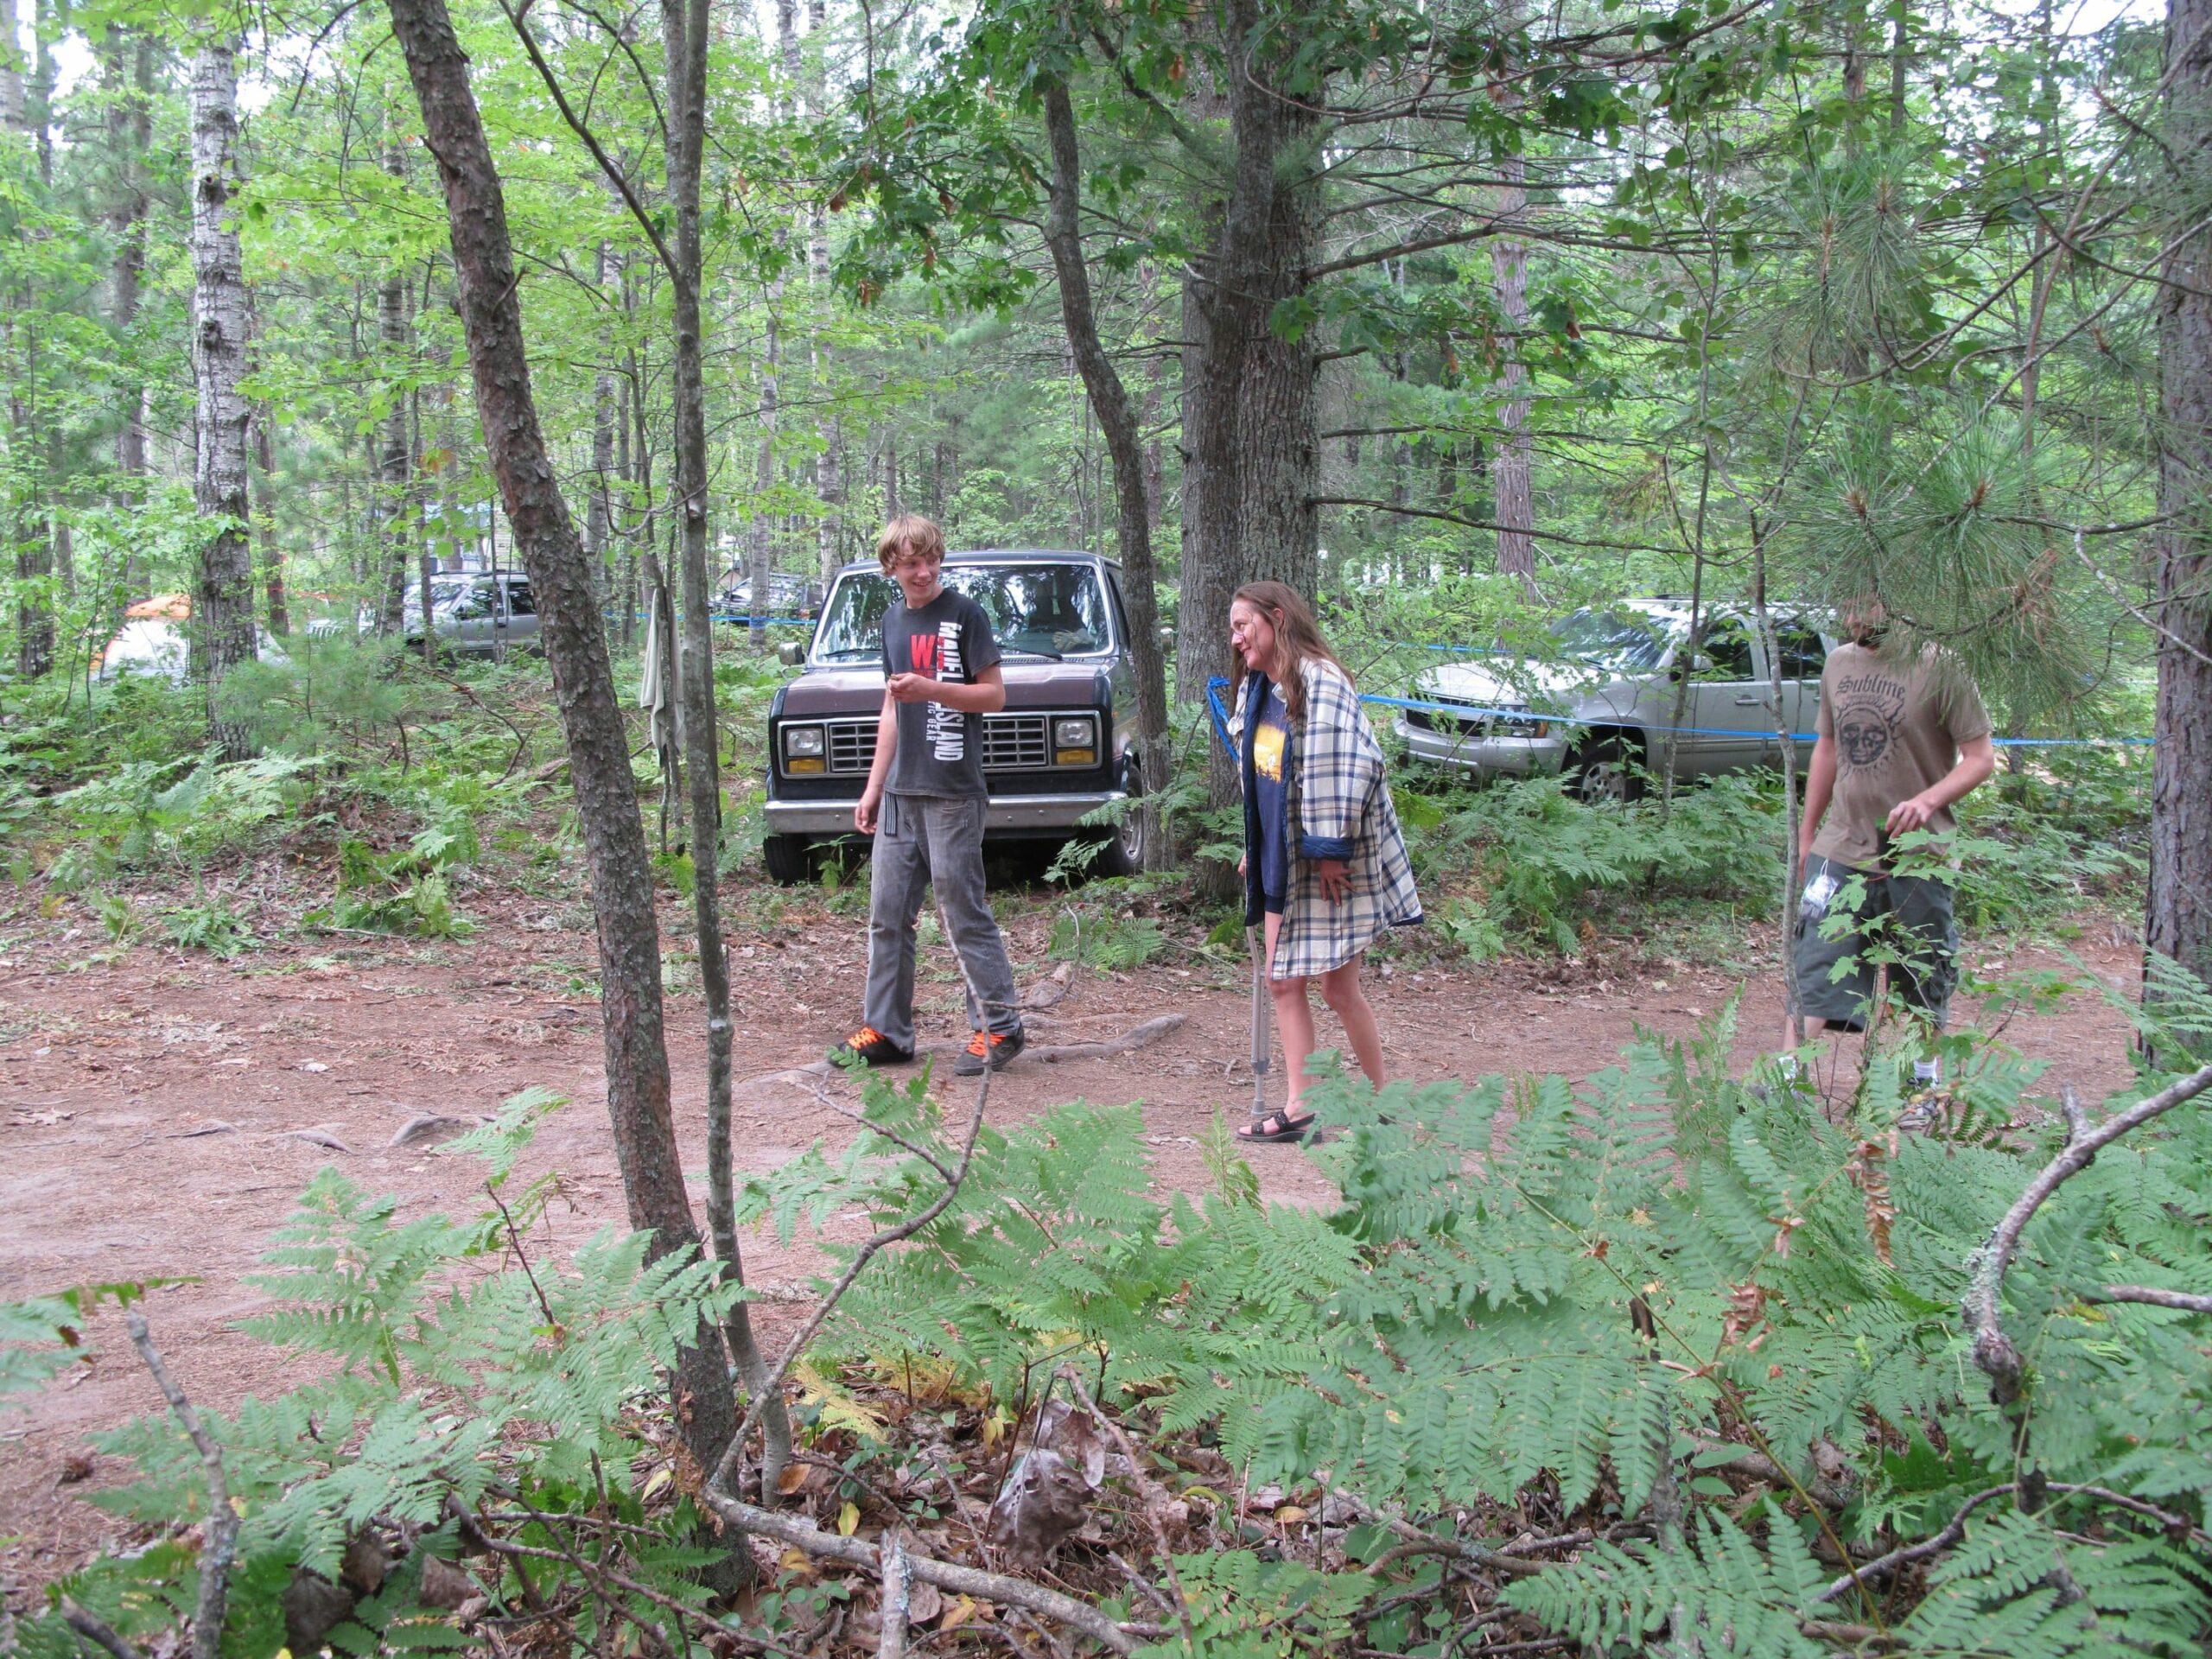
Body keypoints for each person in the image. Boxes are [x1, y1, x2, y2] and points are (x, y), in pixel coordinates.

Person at [1227, 581, 1422, 1143]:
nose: (1236, 639)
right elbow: (1265, 777)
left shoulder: (1321, 681)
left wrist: (1331, 852)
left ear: (1278, 618)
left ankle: (1385, 1103)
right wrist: (1255, 841)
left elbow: (1348, 768)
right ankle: (1302, 1104)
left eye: (1244, 625)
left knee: (1338, 990)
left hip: (1330, 860)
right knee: (1283, 982)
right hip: (1281, 857)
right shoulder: (1260, 689)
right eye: (1233, 629)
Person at [833, 517, 1027, 1076]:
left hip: (952, 793)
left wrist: (931, 689)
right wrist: (873, 787)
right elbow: (892, 708)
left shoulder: (965, 615)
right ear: (891, 567)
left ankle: (999, 1026)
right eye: (911, 563)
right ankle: (887, 1032)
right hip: (901, 794)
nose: (923, 572)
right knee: (888, 916)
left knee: (963, 913)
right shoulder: (892, 620)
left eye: (931, 560)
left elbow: (993, 696)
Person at [1784, 597, 1995, 1087]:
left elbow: (1981, 758)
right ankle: (1782, 1084)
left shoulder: (1941, 666)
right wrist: (1808, 835)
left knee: (1920, 974)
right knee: (1815, 963)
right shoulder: (1839, 662)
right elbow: (1827, 747)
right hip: (1841, 845)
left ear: (1897, 600)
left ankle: (1920, 1080)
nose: (1852, 617)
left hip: (1919, 855)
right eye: (1846, 604)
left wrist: (1927, 801)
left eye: (1865, 604)